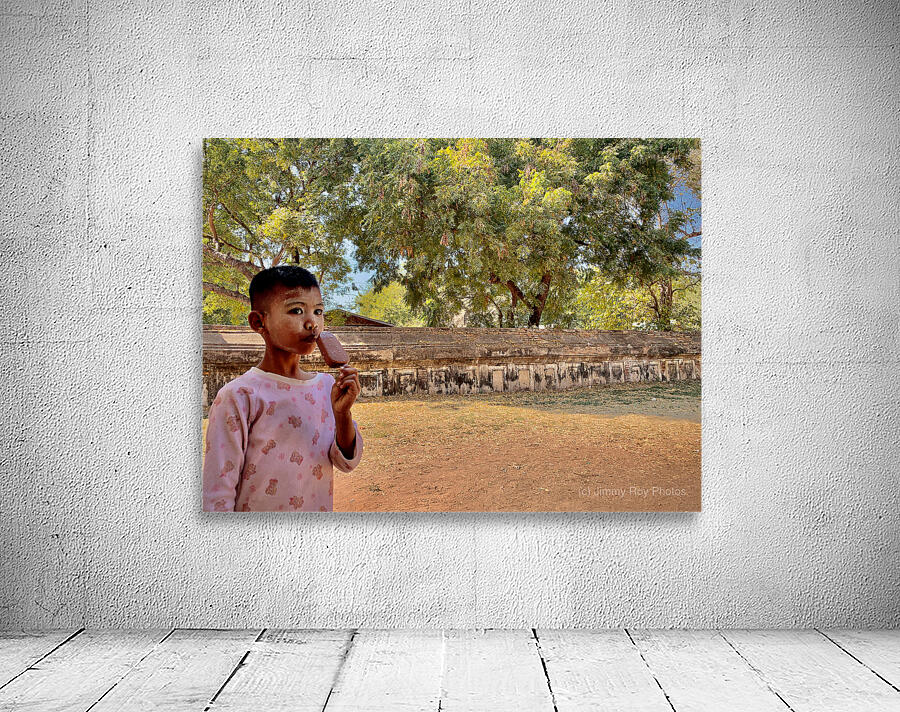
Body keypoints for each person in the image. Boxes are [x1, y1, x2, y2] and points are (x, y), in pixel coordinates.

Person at [202, 266, 363, 512]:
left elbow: (345, 462)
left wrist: (342, 415)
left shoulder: (326, 387)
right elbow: (218, 492)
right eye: (297, 310)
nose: (312, 323)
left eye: (318, 311)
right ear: (259, 322)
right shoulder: (240, 396)